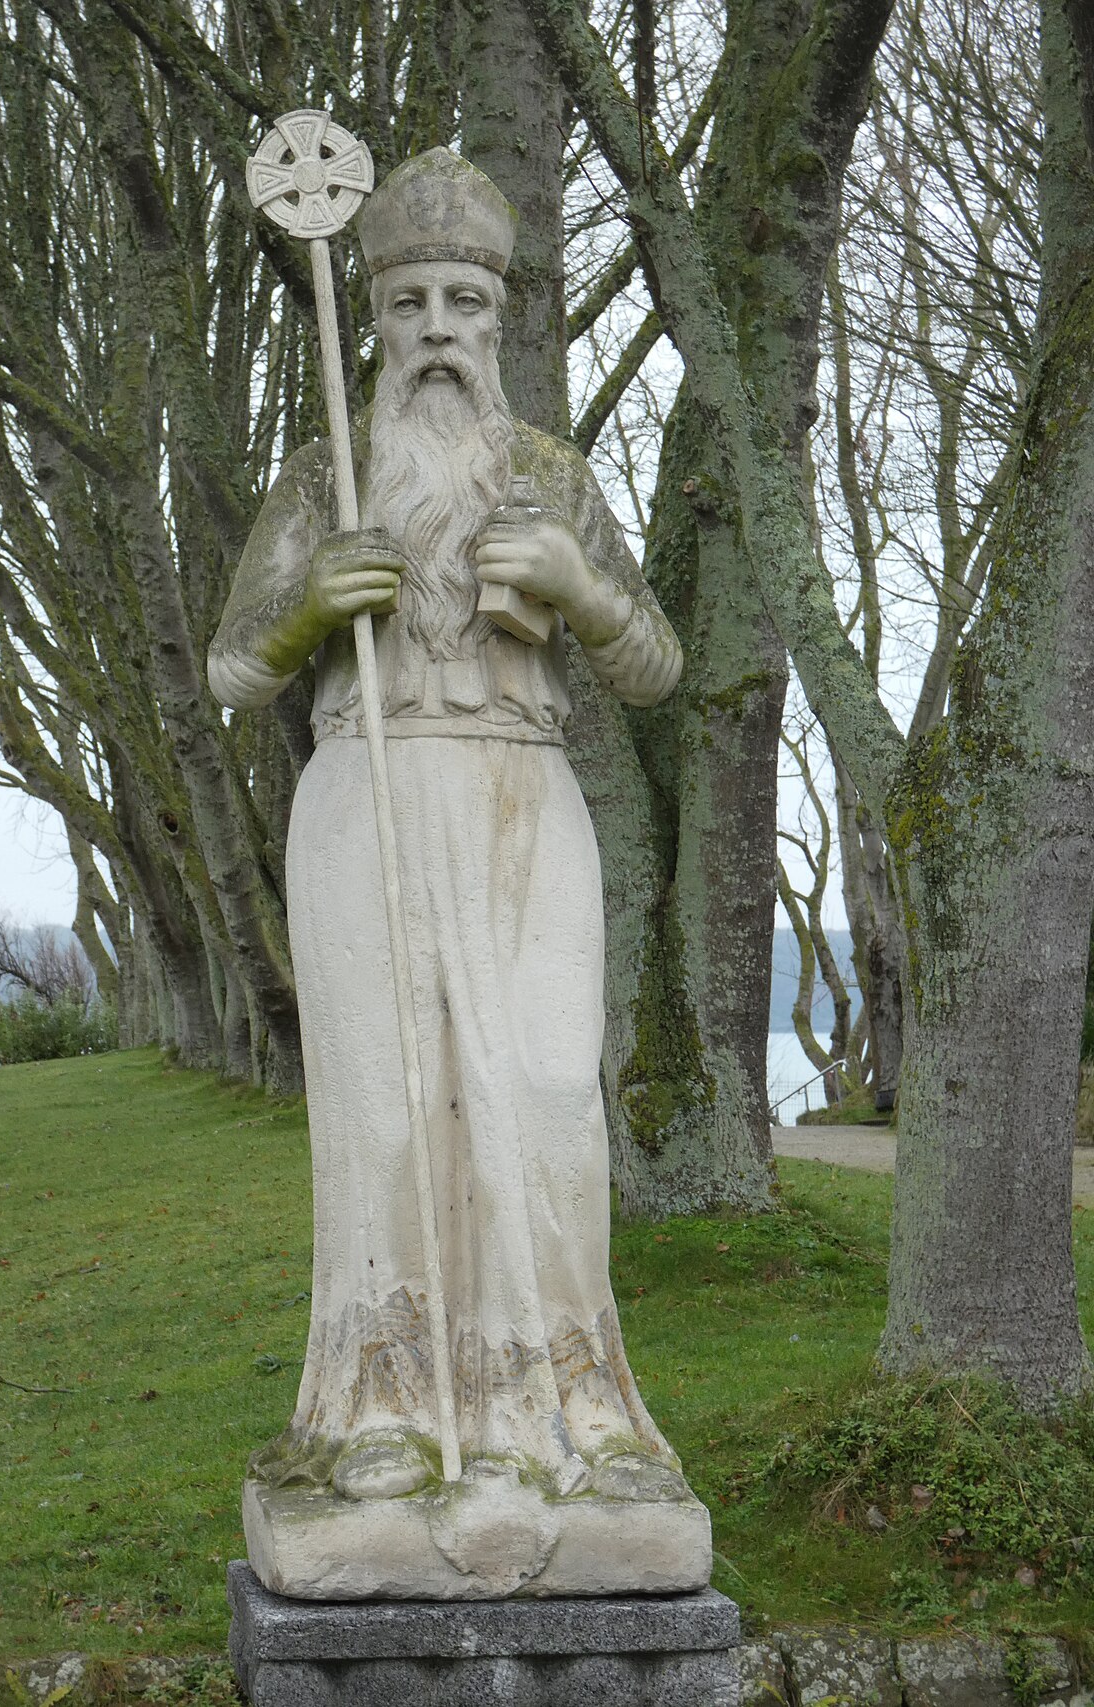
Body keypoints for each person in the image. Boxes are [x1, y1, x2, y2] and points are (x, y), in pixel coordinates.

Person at [209, 149, 685, 1507]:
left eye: (462, 304)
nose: (435, 331)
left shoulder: (551, 473)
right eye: (411, 301)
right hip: (368, 799)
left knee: (545, 1102)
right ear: (374, 315)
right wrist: (309, 611)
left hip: (526, 802)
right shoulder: (329, 473)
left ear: (498, 321)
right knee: (386, 1111)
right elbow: (235, 673)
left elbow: (653, 664)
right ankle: (386, 1409)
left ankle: (571, 1411)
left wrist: (582, 592)